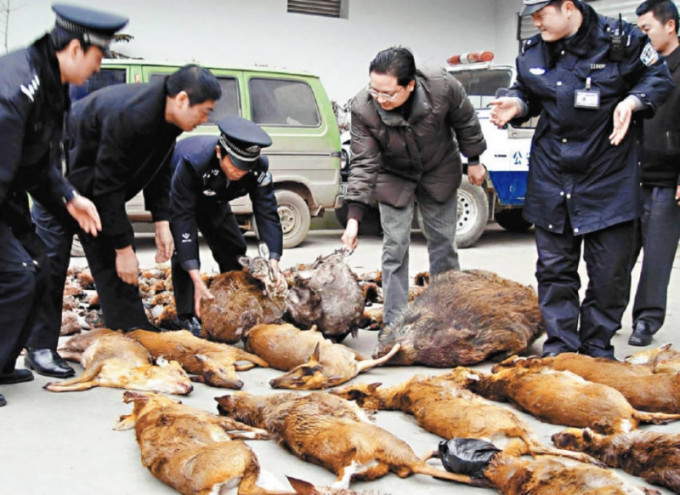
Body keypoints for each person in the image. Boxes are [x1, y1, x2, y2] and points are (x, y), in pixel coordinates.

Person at [489, 0, 674, 359]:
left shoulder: (621, 40)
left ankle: (595, 350)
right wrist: (517, 104)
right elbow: (527, 91)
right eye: (533, 15)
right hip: (552, 174)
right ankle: (560, 350)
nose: (536, 22)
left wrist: (634, 101)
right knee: (554, 272)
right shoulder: (533, 50)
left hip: (609, 176)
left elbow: (659, 77)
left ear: (568, 7)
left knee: (609, 274)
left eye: (543, 14)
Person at [25, 64, 221, 377]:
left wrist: (161, 220)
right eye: (205, 110)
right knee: (50, 268)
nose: (206, 119)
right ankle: (40, 349)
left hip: (98, 194)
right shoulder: (132, 115)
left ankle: (131, 330)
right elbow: (108, 186)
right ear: (183, 99)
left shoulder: (168, 118)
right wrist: (124, 247)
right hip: (62, 191)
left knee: (118, 271)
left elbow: (160, 169)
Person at [0, 4, 128, 406]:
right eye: (98, 56)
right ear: (75, 48)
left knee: (41, 266)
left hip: (8, 193)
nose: (98, 67)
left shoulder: (50, 84)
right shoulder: (15, 87)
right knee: (16, 274)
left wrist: (69, 197)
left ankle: (3, 362)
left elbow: (38, 162)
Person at [340, 46, 487, 326]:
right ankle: (394, 321)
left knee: (443, 243)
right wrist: (353, 218)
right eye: (374, 90)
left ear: (410, 85)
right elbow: (363, 163)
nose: (379, 98)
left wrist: (475, 159)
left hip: (438, 168)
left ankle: (447, 316)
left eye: (388, 93)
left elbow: (465, 120)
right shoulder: (362, 107)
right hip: (393, 174)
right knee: (394, 247)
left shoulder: (441, 86)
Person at [168, 116, 285, 334]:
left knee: (233, 245)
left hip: (215, 198)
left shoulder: (258, 167)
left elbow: (267, 213)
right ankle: (186, 315)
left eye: (246, 168)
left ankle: (233, 298)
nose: (241, 172)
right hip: (179, 191)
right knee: (183, 252)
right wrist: (196, 277)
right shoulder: (193, 162)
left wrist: (274, 260)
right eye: (236, 165)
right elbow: (182, 220)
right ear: (220, 152)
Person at [626, 0, 680, 347]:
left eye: (647, 30)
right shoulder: (643, 68)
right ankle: (604, 313)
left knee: (657, 256)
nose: (643, 37)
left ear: (671, 26)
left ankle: (646, 320)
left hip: (667, 178)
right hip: (631, 175)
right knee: (616, 253)